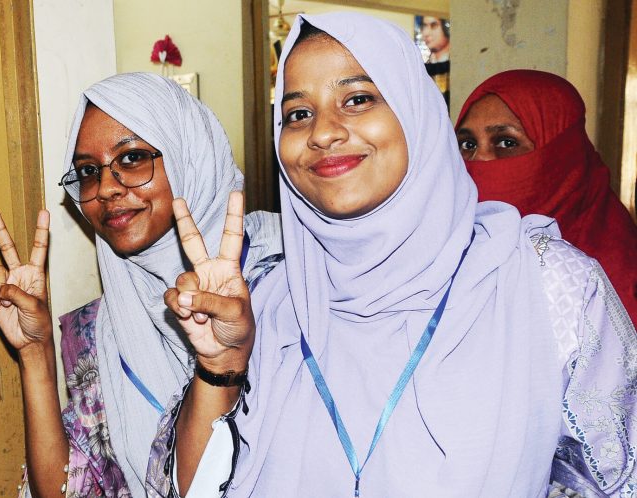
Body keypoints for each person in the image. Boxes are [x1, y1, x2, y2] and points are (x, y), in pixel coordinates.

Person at [158, 12, 637, 497]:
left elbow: (619, 481)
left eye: (357, 99)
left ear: (416, 111)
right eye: (298, 114)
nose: (323, 132)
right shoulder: (266, 301)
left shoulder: (547, 287)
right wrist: (222, 364)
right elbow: (194, 490)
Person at [0, 73, 283, 497]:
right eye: (88, 171)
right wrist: (35, 353)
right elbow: (68, 491)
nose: (105, 188)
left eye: (132, 157)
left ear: (188, 155)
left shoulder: (292, 281)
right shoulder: (99, 331)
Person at [455, 69, 637, 327]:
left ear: (560, 157)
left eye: (506, 143)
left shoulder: (613, 280)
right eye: (468, 145)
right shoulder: (442, 255)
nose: (479, 160)